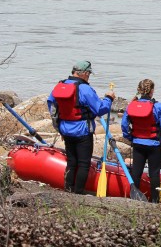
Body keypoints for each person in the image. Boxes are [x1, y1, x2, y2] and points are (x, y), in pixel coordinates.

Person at [47, 60, 115, 194]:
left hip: (66, 130)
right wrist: (109, 98)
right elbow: (100, 109)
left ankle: (68, 189)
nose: (89, 76)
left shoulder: (59, 86)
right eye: (88, 73)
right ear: (83, 73)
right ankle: (78, 192)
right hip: (83, 131)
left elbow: (52, 108)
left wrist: (59, 127)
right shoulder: (85, 89)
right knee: (83, 163)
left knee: (72, 161)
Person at [121, 78, 161, 203]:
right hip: (153, 144)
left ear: (140, 90)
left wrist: (130, 137)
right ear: (152, 91)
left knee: (137, 172)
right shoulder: (157, 106)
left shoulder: (132, 105)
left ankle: (134, 198)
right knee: (154, 173)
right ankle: (154, 200)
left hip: (138, 143)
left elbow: (124, 125)